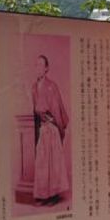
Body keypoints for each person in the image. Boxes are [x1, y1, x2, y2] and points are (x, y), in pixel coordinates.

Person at [31, 54, 70, 205]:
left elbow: (57, 110)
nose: (38, 68)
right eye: (36, 65)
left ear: (46, 68)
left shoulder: (51, 86)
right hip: (42, 128)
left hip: (52, 128)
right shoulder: (34, 87)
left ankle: (53, 195)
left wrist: (56, 124)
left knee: (53, 163)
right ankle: (43, 195)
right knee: (42, 163)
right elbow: (35, 110)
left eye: (41, 65)